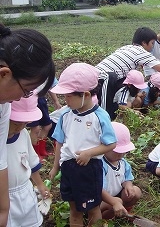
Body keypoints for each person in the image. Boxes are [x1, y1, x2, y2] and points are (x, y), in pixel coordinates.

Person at [49, 63, 117, 227]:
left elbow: (111, 144)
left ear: (86, 95)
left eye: (69, 96)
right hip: (68, 167)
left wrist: (89, 153)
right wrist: (55, 166)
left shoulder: (99, 117)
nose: (66, 101)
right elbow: (59, 141)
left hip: (89, 168)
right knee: (74, 210)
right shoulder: (65, 114)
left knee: (93, 208)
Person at [0, 24, 55, 226]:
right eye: (26, 91)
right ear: (4, 74)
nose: (21, 98)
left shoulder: (3, 106)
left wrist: (3, 212)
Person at [96, 27, 160, 119]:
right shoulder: (141, 52)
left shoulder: (127, 47)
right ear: (144, 43)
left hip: (101, 76)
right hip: (104, 78)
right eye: (152, 43)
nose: (152, 46)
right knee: (105, 113)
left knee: (113, 106)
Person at [7, 96, 51, 227]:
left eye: (25, 123)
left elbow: (31, 163)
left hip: (25, 191)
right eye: (15, 123)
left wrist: (41, 185)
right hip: (5, 196)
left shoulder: (23, 135)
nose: (20, 127)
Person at [101, 122, 142, 219]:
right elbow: (98, 189)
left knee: (136, 192)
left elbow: (127, 178)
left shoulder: (123, 163)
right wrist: (113, 201)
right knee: (113, 204)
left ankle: (124, 212)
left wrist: (128, 186)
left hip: (117, 195)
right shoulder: (100, 164)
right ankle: (105, 218)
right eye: (117, 152)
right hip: (102, 199)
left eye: (124, 152)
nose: (121, 155)